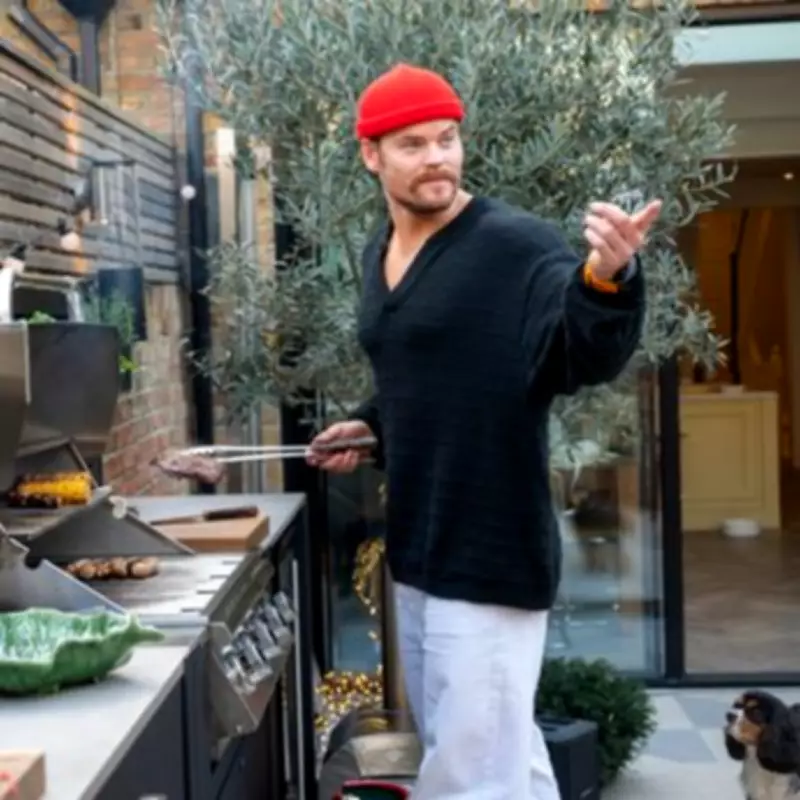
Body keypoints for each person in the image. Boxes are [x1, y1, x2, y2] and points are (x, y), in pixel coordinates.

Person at [307, 63, 660, 799]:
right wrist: (370, 424)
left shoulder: (513, 245)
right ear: (371, 154)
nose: (437, 157)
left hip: (491, 552)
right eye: (413, 144)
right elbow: (429, 371)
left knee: (471, 776)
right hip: (419, 551)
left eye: (447, 139)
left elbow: (577, 354)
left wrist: (607, 280)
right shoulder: (382, 251)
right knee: (499, 756)